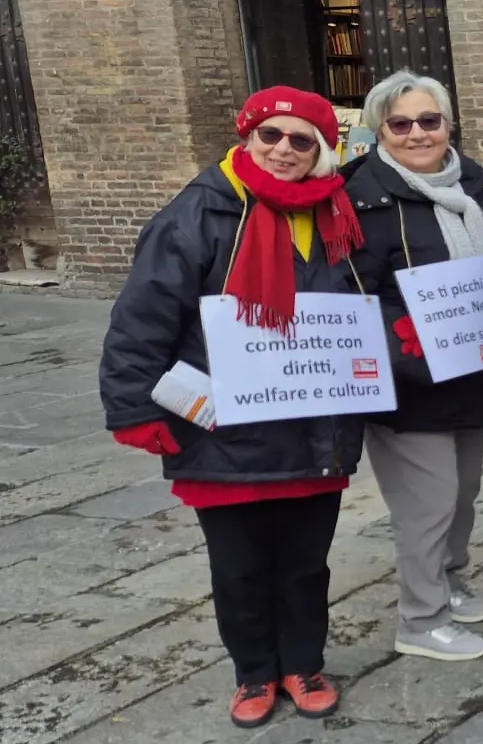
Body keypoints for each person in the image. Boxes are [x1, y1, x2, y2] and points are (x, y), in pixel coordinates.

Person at [99, 88, 363, 728]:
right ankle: (253, 671)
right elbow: (143, 317)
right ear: (247, 137)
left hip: (311, 426)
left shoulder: (336, 213)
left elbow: (361, 303)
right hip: (222, 431)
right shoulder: (197, 214)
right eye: (271, 135)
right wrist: (133, 406)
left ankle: (303, 663)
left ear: (322, 152)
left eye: (302, 141)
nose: (283, 150)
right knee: (239, 567)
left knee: (305, 562)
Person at [343, 71, 483, 663]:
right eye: (401, 124)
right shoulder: (357, 198)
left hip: (471, 373)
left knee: (463, 492)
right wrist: (405, 341)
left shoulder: (479, 186)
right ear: (380, 129)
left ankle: (447, 580)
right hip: (408, 381)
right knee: (428, 500)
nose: (417, 133)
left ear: (449, 124)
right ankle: (421, 617)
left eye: (429, 121)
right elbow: (347, 293)